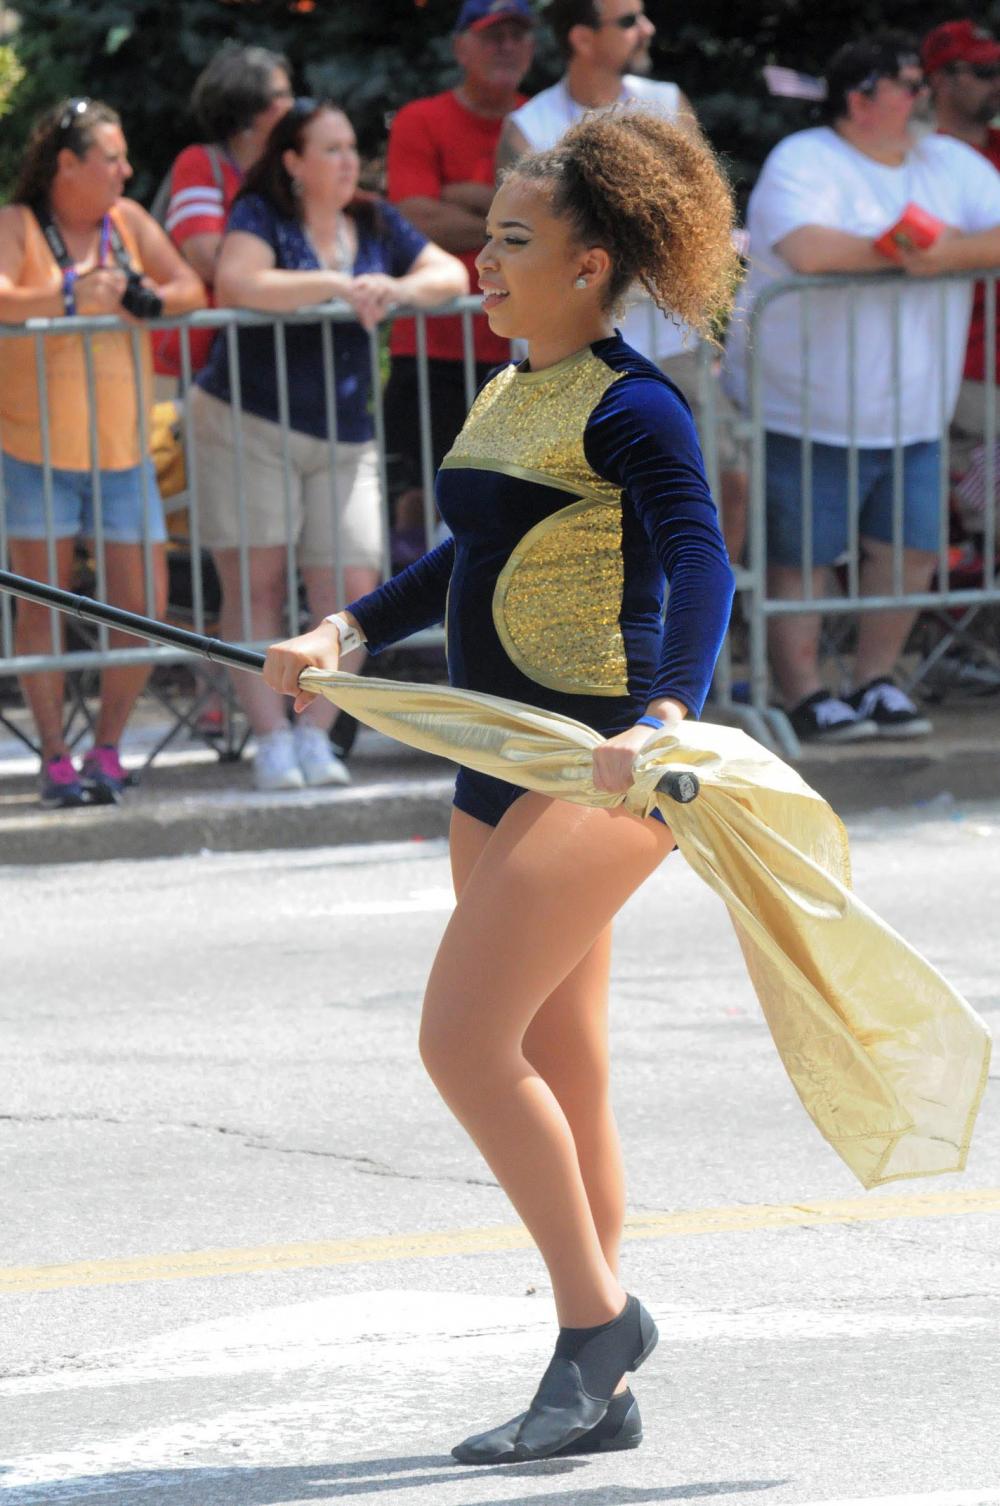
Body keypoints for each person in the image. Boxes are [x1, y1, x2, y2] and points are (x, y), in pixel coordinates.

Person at [263, 109, 738, 1462]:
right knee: (563, 1063)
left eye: (513, 241)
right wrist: (344, 633)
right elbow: (455, 564)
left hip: (600, 768)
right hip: (496, 768)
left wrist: (664, 718)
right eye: (487, 236)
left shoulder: (634, 403)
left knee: (464, 1044)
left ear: (589, 266)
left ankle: (599, 1325)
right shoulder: (509, 387)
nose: (482, 259)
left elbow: (701, 560)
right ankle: (598, 1382)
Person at [723, 34, 1000, 743]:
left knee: (910, 552)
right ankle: (805, 693)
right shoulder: (805, 159)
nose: (923, 95)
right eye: (908, 83)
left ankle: (878, 682)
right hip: (805, 406)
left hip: (915, 410)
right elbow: (810, 250)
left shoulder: (950, 161)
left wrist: (938, 253)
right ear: (860, 98)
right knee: (802, 558)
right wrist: (914, 255)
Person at [191, 99, 467, 792]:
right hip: (250, 421)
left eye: (351, 147)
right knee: (255, 581)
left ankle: (316, 737)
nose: (349, 162)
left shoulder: (373, 219)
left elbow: (451, 276)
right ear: (293, 160)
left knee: (352, 587)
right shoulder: (261, 214)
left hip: (345, 434)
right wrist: (337, 287)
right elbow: (240, 281)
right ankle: (270, 739)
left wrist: (392, 286)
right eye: (332, 149)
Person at [0, 98, 206, 807]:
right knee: (41, 611)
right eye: (111, 159)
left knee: (141, 607)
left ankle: (108, 748)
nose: (125, 170)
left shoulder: (130, 223)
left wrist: (141, 300)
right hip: (34, 451)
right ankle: (54, 757)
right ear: (67, 164)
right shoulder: (17, 224)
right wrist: (69, 295)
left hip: (123, 453)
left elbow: (190, 289)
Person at [497, 0, 748, 561]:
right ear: (583, 38)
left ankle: (702, 612)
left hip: (672, 347)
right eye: (629, 20)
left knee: (725, 484)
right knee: (591, 519)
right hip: (571, 361)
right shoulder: (529, 127)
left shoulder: (666, 103)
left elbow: (703, 217)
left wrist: (603, 246)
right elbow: (531, 249)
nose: (647, 29)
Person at [383, 0, 534, 536]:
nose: (507, 47)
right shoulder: (421, 120)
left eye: (518, 34)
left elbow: (560, 221)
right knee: (428, 503)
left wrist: (463, 197)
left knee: (516, 505)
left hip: (526, 350)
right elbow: (415, 219)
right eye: (493, 35)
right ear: (460, 47)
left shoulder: (538, 120)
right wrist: (516, 228)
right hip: (435, 351)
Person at [152, 43, 294, 380]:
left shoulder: (285, 174)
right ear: (249, 109)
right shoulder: (200, 164)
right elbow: (207, 259)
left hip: (255, 364)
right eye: (281, 95)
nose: (293, 106)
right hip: (188, 364)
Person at [922, 20, 1000, 495]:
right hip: (966, 367)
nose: (997, 82)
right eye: (984, 72)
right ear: (940, 79)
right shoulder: (917, 158)